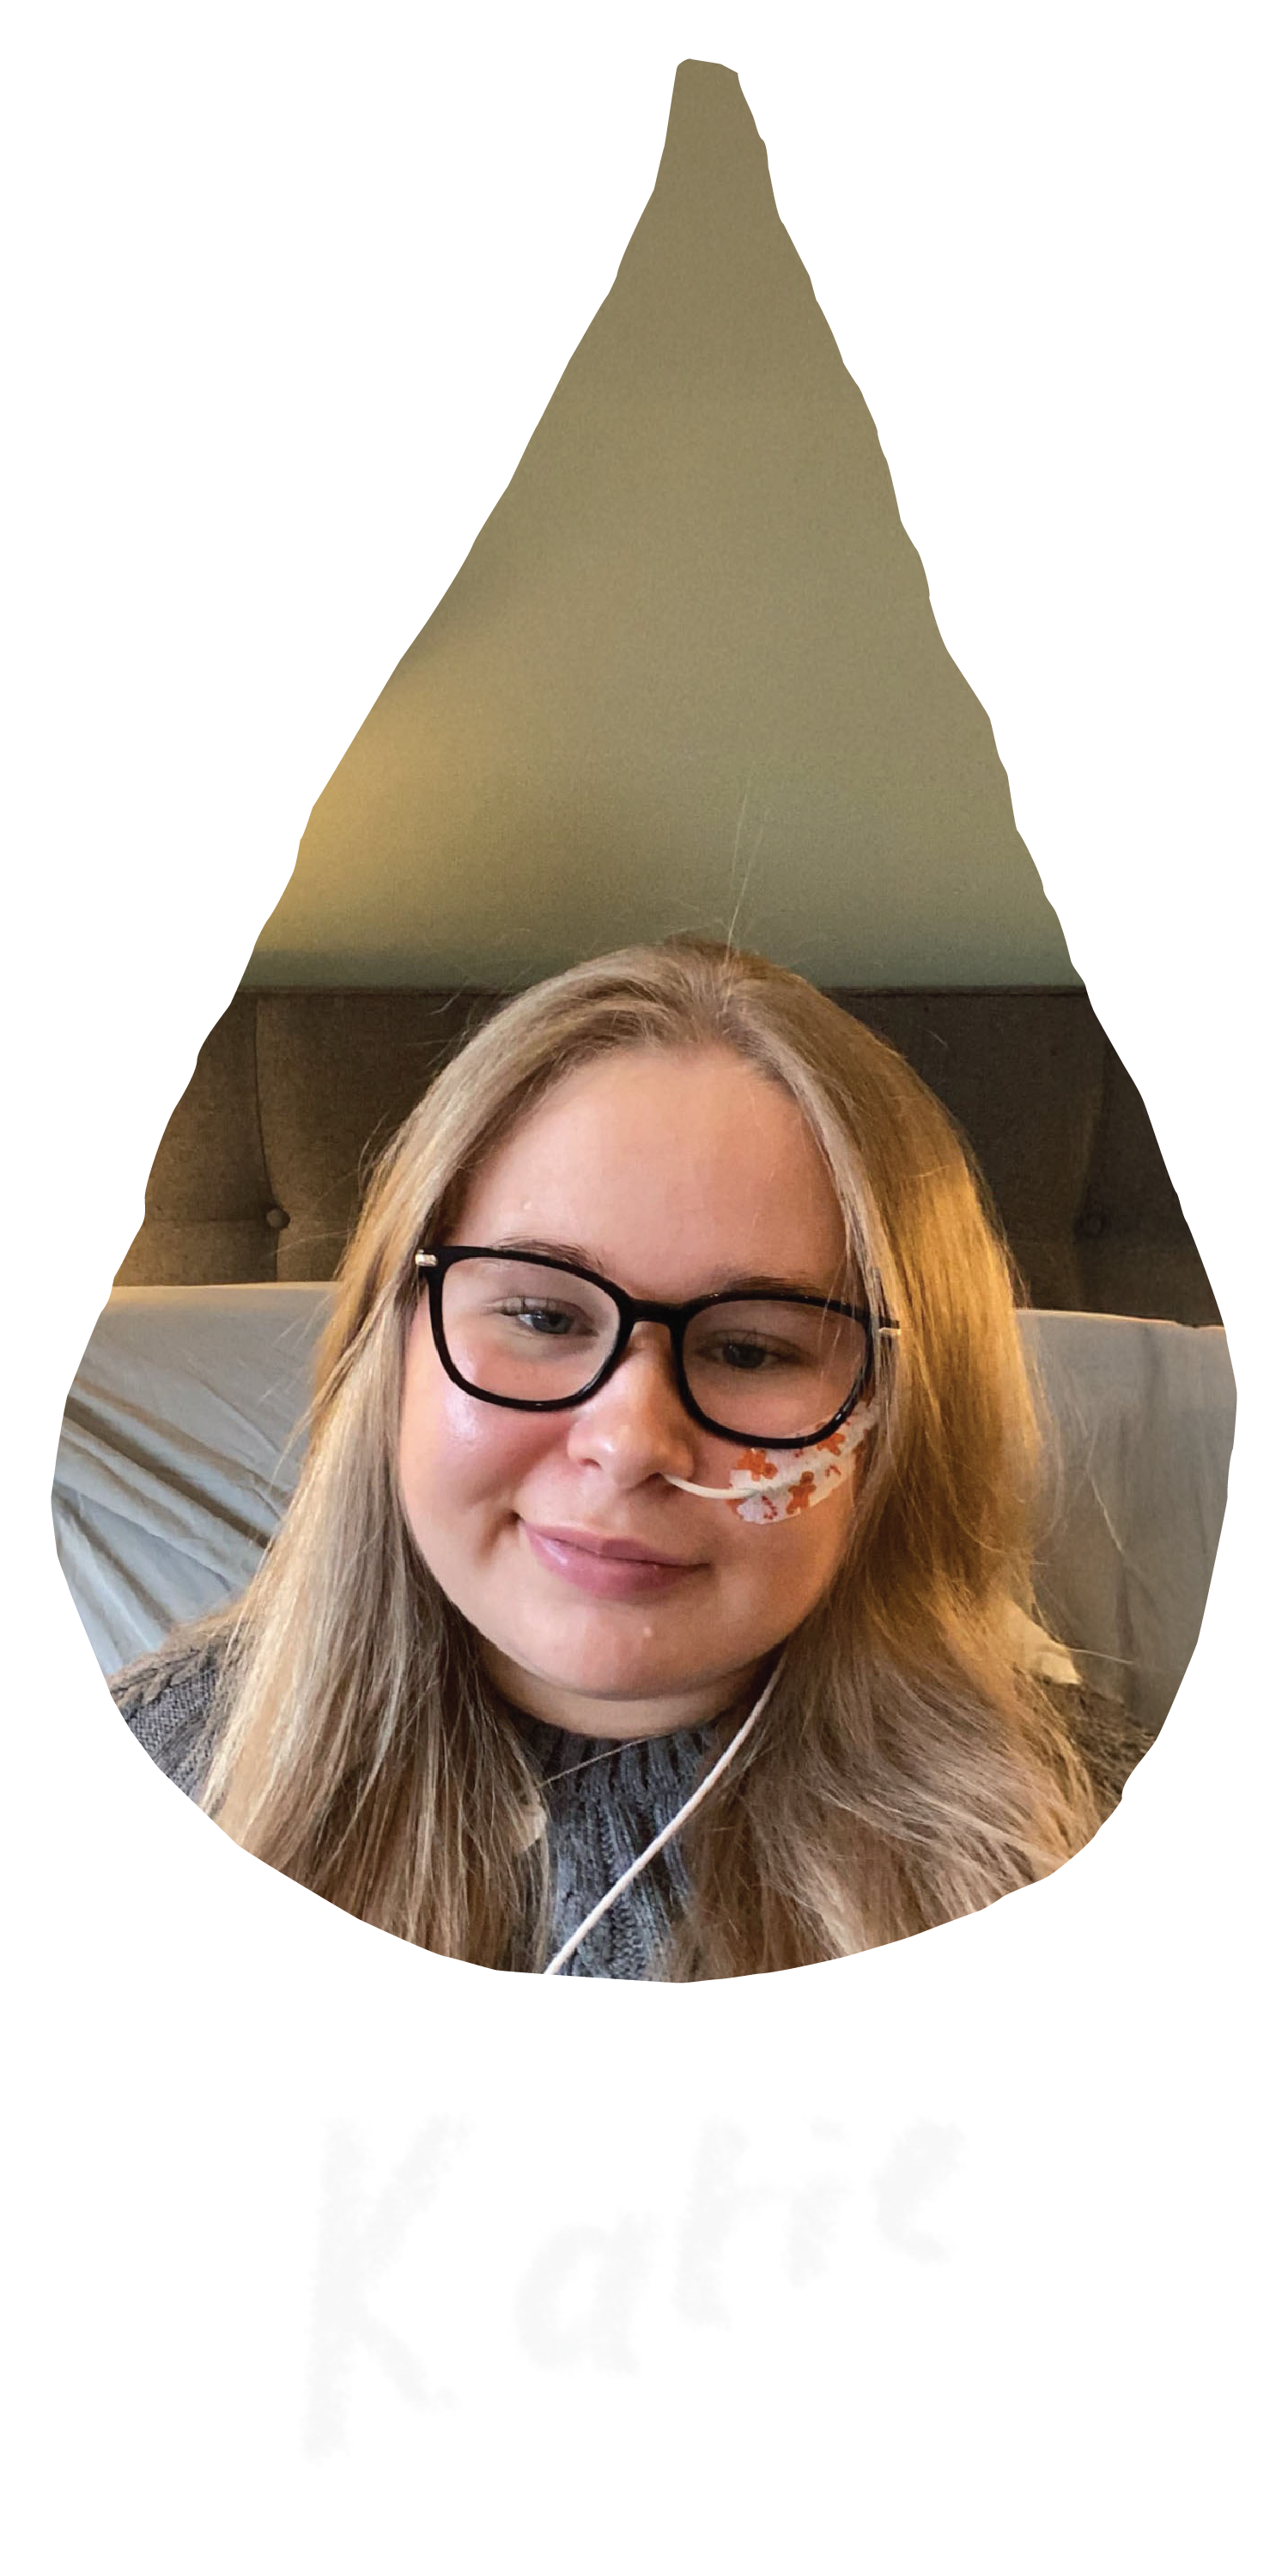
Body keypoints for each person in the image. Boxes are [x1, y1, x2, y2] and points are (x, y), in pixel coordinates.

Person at [107, 933, 1150, 1978]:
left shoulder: (1110, 1849)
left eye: (751, 1348)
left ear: (903, 1417)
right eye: (541, 1315)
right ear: (396, 1343)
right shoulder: (165, 1762)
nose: (628, 1445)